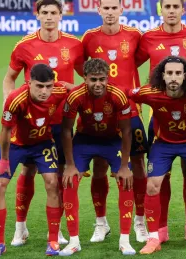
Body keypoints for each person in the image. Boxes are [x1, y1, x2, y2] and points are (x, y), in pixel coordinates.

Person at [3, 0, 84, 246]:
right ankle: (20, 227)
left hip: (63, 122)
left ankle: (56, 231)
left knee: (59, 176)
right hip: (31, 123)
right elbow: (9, 78)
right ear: (37, 14)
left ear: (62, 15)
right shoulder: (24, 45)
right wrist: (11, 106)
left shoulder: (75, 44)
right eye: (44, 12)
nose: (49, 17)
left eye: (53, 13)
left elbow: (85, 77)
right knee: (27, 171)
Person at [135, 0, 186, 244]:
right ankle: (161, 229)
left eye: (176, 6)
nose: (172, 10)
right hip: (160, 117)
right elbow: (130, 63)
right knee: (160, 177)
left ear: (182, 9)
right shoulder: (149, 38)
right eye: (167, 6)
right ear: (161, 9)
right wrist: (150, 92)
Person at [130, 56, 186, 256]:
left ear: (185, 76)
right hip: (163, 144)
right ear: (162, 75)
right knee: (152, 186)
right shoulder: (150, 94)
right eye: (169, 73)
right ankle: (154, 237)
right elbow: (124, 94)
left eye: (178, 73)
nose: (174, 78)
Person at [81, 0, 149, 243]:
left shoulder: (134, 35)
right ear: (98, 10)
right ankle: (101, 223)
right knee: (99, 165)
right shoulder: (89, 38)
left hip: (131, 109)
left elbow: (139, 60)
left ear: (122, 9)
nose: (110, 12)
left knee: (138, 165)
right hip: (101, 113)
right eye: (105, 8)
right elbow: (83, 68)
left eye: (114, 7)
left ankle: (139, 222)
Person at [0, 64, 68, 257]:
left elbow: (77, 89)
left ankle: (53, 240)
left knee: (52, 183)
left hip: (42, 143)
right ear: (29, 82)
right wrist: (4, 160)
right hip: (15, 144)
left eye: (48, 86)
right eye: (39, 86)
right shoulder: (15, 99)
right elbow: (5, 131)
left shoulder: (59, 91)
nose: (44, 91)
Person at [59, 58, 135, 256]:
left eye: (102, 79)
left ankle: (124, 240)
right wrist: (69, 164)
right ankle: (74, 241)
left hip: (112, 140)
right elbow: (66, 130)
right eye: (93, 79)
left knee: (126, 180)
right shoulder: (75, 96)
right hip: (84, 140)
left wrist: (125, 166)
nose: (98, 84)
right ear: (84, 78)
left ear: (107, 78)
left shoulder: (118, 95)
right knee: (69, 181)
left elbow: (127, 132)